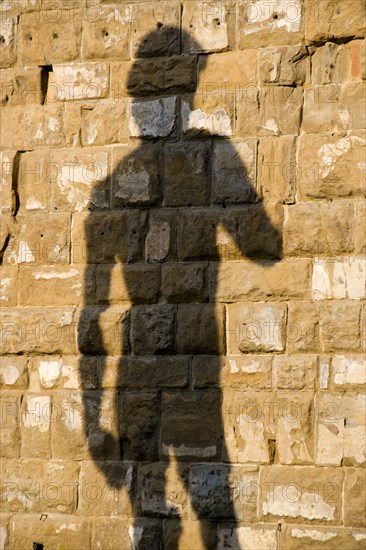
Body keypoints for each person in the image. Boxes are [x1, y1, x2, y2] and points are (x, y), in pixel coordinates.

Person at [78, 26, 282, 549]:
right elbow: (265, 245)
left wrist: (93, 422)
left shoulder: (104, 190)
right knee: (217, 518)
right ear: (190, 83)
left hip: (134, 377)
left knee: (150, 520)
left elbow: (93, 317)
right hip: (192, 374)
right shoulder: (212, 154)